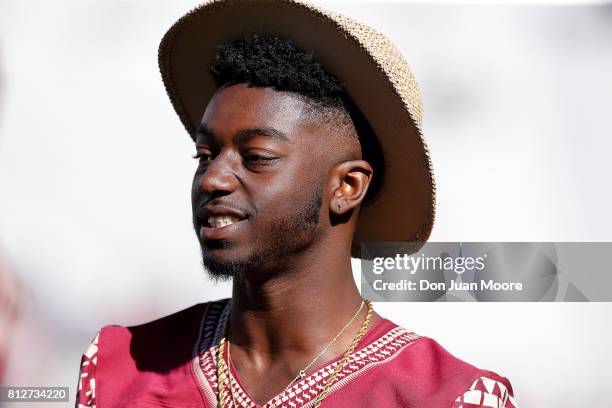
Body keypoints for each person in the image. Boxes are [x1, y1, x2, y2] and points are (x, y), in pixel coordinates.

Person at [76, 1, 517, 407]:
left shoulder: (447, 396)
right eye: (205, 155)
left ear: (347, 187)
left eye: (256, 158)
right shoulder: (120, 369)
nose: (212, 179)